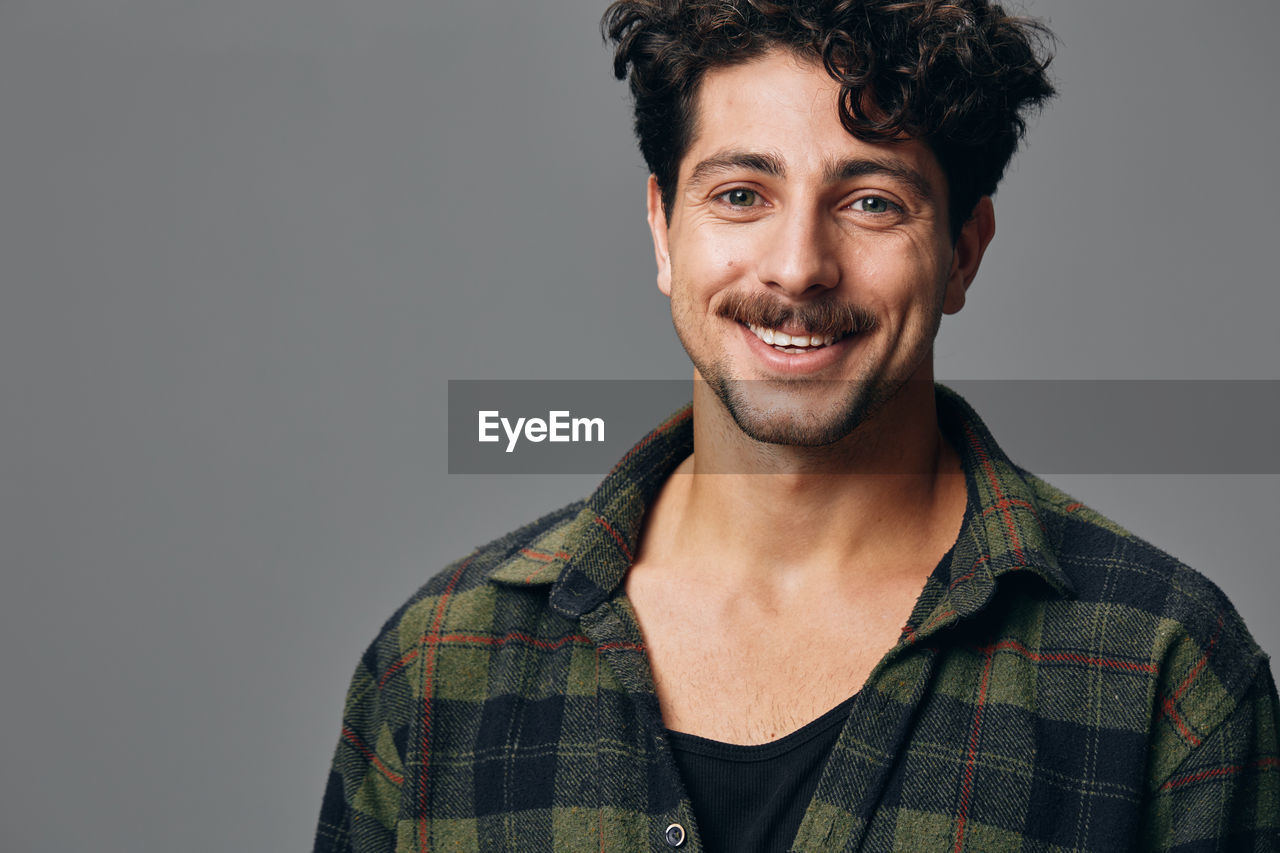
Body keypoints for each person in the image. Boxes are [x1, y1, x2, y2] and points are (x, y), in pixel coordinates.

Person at [314, 1, 1279, 850]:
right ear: (664, 227)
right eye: (742, 194)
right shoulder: (440, 664)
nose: (797, 266)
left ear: (962, 255)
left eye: (870, 201)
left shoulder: (1165, 672)